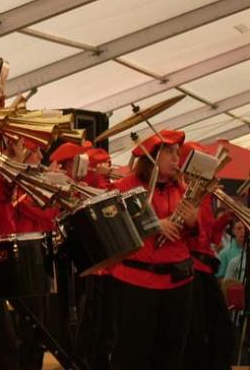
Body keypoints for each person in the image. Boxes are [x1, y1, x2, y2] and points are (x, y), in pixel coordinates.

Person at [110, 130, 199, 370]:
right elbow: (114, 227)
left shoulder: (182, 187)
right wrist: (153, 224)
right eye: (169, 152)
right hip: (137, 284)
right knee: (131, 356)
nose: (176, 158)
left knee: (171, 355)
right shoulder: (125, 186)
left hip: (178, 283)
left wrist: (193, 222)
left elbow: (192, 238)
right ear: (151, 156)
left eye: (177, 153)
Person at [180, 142, 235, 370]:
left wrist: (225, 218)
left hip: (204, 268)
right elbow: (191, 234)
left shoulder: (204, 197)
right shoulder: (184, 191)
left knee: (221, 332)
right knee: (197, 335)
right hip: (191, 269)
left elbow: (211, 237)